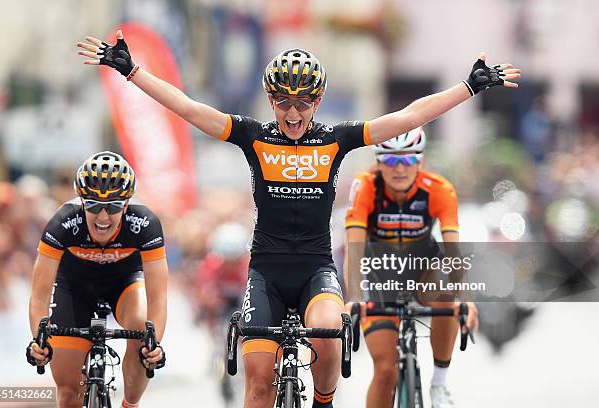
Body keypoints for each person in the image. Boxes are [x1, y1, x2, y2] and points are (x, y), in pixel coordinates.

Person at [77, 30, 520, 408]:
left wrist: (469, 86)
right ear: (271, 100)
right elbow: (191, 110)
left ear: (317, 100)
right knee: (257, 381)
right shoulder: (254, 136)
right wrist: (132, 71)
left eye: (303, 102)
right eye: (283, 102)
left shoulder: (336, 139)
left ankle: (323, 402)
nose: (293, 113)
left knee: (328, 338)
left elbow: (407, 116)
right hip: (266, 272)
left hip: (316, 269)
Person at [344, 128, 479, 408]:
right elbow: (354, 248)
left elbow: (453, 248)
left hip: (422, 270)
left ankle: (439, 385)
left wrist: (466, 299)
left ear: (420, 161)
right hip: (378, 275)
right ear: (379, 163)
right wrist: (354, 298)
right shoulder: (366, 186)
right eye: (391, 161)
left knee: (446, 299)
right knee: (385, 373)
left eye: (408, 160)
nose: (400, 168)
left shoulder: (439, 188)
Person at [26, 151, 168, 408]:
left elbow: (158, 297)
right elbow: (39, 294)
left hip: (123, 283)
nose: (103, 217)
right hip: (74, 288)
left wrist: (153, 344)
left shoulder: (145, 223)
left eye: (113, 206)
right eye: (92, 205)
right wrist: (39, 339)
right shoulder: (63, 221)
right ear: (81, 202)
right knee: (69, 394)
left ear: (126, 205)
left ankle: (130, 404)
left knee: (141, 328)